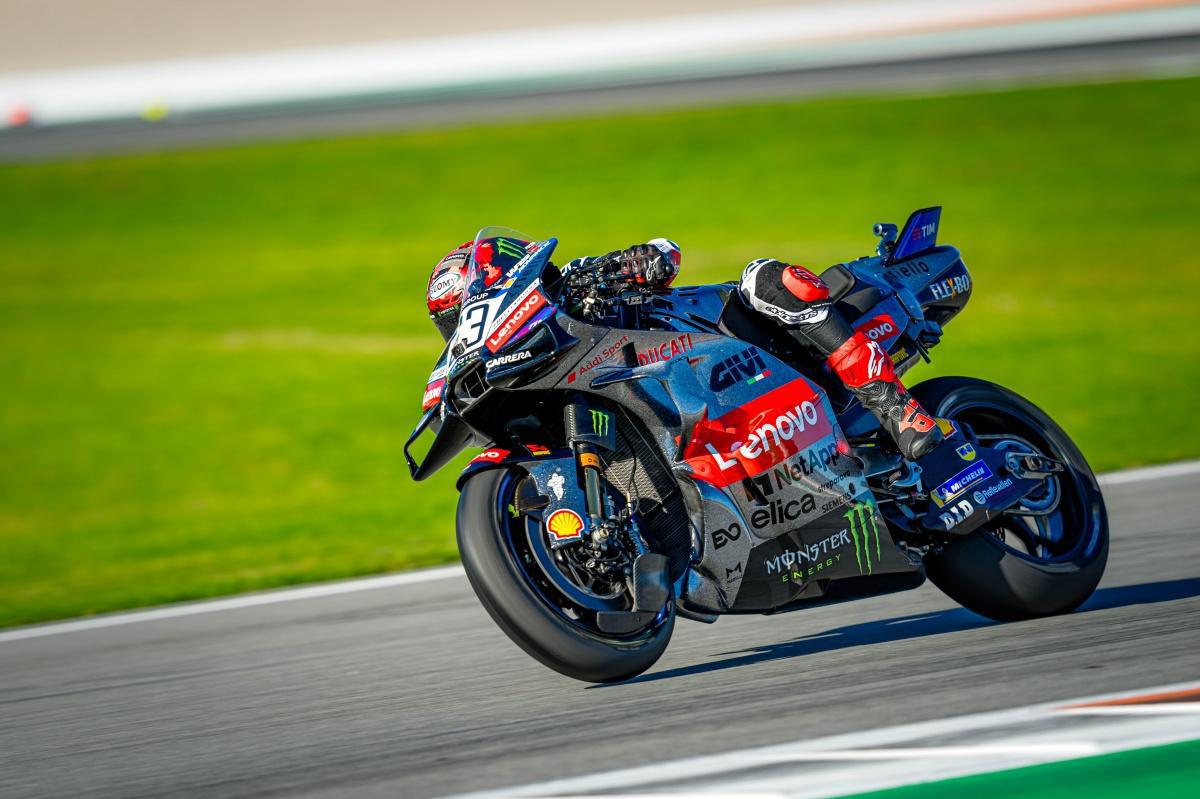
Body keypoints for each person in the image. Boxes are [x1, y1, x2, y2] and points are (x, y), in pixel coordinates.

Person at [425, 237, 943, 460]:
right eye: (452, 322)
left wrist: (627, 267)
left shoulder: (571, 285)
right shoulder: (518, 355)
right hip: (703, 423)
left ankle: (898, 409)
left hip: (733, 339)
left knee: (765, 278)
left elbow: (666, 253)